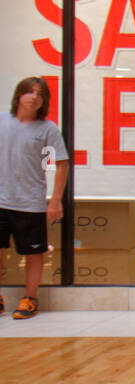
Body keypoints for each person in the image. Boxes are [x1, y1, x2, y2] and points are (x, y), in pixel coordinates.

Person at [0, 78, 68, 320]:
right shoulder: (2, 121)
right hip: (1, 200)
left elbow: (62, 164)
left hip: (31, 203)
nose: (34, 97)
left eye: (40, 94)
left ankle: (30, 298)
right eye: (29, 92)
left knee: (33, 253)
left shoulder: (47, 129)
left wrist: (55, 200)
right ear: (19, 95)